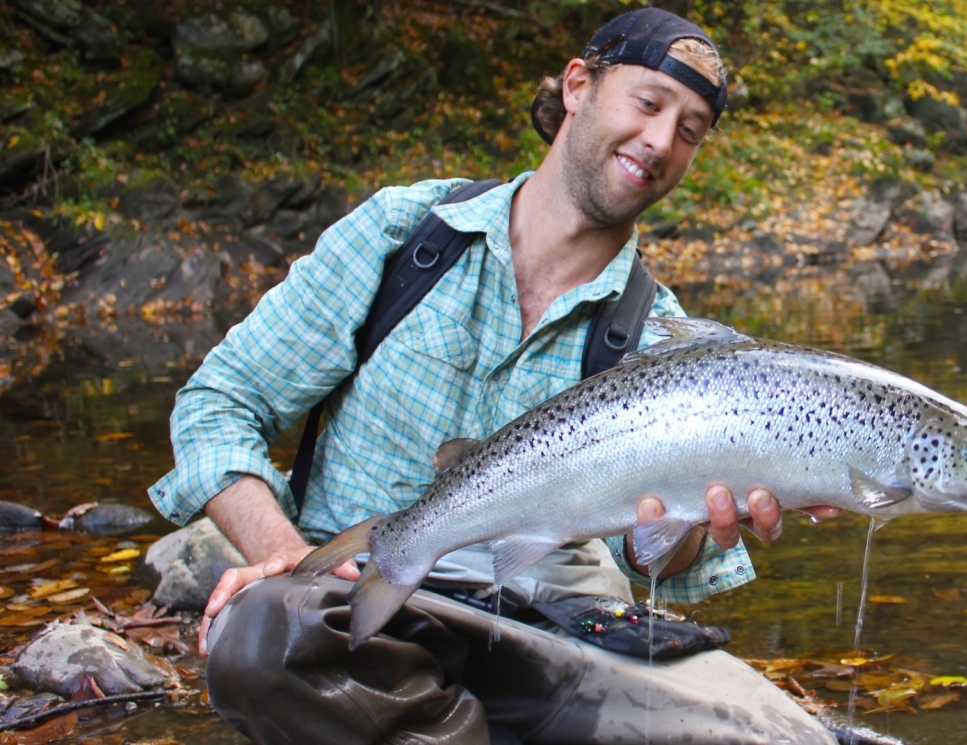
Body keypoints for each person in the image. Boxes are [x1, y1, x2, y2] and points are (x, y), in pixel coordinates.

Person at [149, 9, 841, 744]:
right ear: (578, 85)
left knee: (784, 737)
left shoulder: (662, 339)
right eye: (648, 103)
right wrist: (276, 548)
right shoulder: (406, 236)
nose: (662, 141)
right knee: (262, 636)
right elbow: (218, 404)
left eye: (691, 129)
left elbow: (650, 561)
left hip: (561, 637)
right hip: (360, 609)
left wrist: (695, 518)